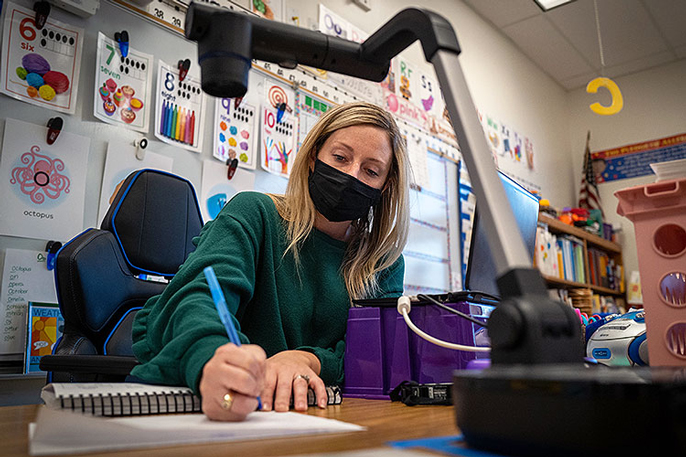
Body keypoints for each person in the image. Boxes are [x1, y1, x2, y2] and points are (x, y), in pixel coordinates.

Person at [130, 102, 411, 421]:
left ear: (385, 185)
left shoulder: (383, 261)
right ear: (314, 157)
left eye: (371, 170)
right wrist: (210, 358)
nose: (351, 174)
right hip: (216, 408)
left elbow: (374, 355)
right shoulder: (255, 213)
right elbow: (196, 299)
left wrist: (305, 361)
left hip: (315, 416)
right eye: (340, 157)